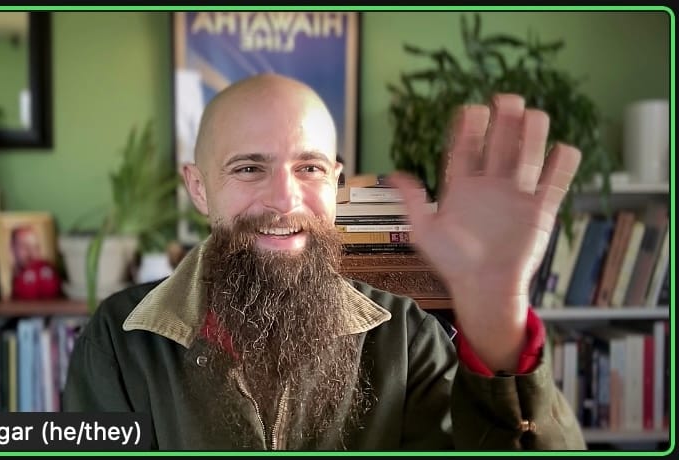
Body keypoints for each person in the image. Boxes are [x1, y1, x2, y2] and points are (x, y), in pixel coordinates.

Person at [62, 73, 586, 450]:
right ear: (198, 188)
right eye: (248, 168)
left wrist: (496, 317)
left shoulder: (408, 340)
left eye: (309, 168)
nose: (285, 200)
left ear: (336, 183)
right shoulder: (119, 343)